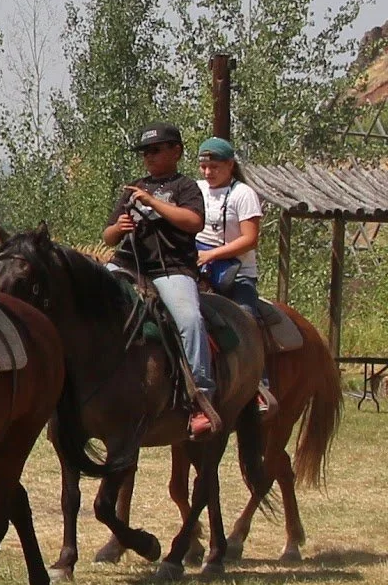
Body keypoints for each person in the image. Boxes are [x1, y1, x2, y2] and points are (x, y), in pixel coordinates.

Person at [103, 122, 213, 437]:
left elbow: (193, 222)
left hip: (172, 269)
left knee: (189, 319)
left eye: (154, 150)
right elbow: (108, 237)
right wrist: (119, 227)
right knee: (90, 303)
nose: (148, 157)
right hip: (128, 264)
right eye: (144, 152)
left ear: (176, 151)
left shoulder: (185, 187)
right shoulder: (132, 188)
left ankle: (201, 398)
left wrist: (153, 203)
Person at [194, 136, 272, 412]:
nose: (207, 173)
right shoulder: (196, 190)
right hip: (198, 269)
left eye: (214, 167)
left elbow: (250, 239)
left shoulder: (243, 194)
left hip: (236, 273)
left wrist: (213, 254)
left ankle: (259, 386)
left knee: (246, 317)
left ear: (229, 165)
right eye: (203, 167)